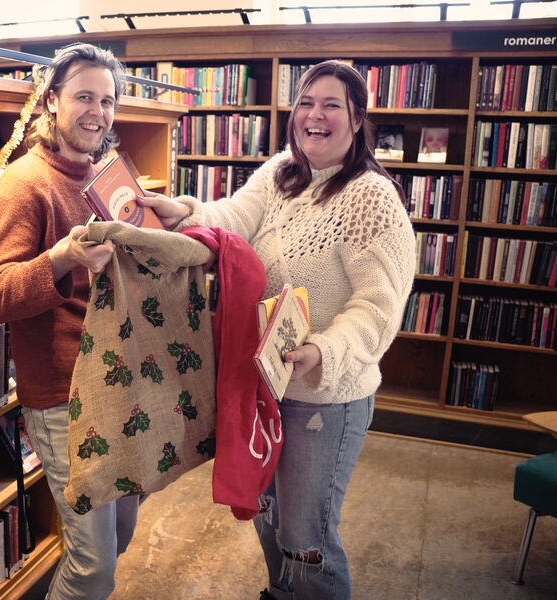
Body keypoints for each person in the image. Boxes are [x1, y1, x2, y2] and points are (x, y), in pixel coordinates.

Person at [140, 60, 416, 599]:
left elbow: (380, 306)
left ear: (357, 119)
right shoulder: (281, 171)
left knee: (305, 538)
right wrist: (184, 211)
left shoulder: (370, 197)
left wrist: (322, 349)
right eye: (307, 103)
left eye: (331, 105)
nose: (315, 115)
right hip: (265, 383)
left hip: (324, 397)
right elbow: (234, 217)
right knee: (267, 513)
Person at [0, 43, 138, 600]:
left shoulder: (108, 174)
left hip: (116, 383)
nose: (98, 112)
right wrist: (62, 258)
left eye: (108, 100)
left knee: (119, 536)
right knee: (93, 565)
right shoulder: (25, 182)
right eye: (83, 98)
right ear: (52, 102)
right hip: (62, 395)